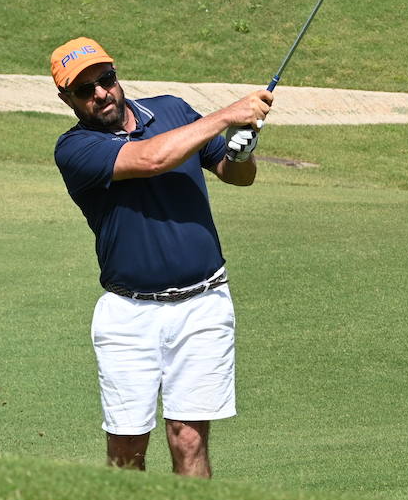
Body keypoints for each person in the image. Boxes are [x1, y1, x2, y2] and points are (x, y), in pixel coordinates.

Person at [50, 37, 272, 477]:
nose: (100, 94)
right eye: (84, 90)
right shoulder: (75, 149)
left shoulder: (172, 109)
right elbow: (151, 159)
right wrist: (229, 113)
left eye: (106, 80)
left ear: (117, 75)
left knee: (188, 439)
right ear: (67, 100)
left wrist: (241, 149)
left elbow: (236, 176)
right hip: (129, 313)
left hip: (203, 304)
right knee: (127, 446)